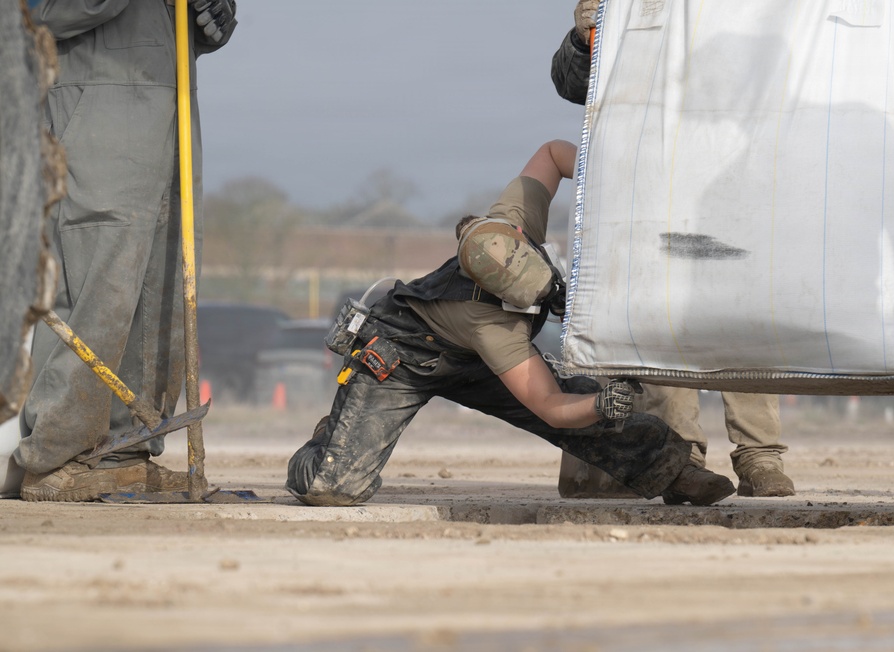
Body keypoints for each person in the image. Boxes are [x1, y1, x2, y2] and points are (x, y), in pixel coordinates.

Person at [286, 140, 736, 507]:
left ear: (517, 234)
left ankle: (678, 474)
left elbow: (554, 153)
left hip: (472, 355)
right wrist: (601, 406)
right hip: (404, 358)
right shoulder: (492, 325)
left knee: (593, 408)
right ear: (502, 296)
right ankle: (328, 440)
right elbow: (549, 406)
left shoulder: (509, 220)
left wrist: (607, 177)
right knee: (332, 489)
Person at [550, 0, 794, 499]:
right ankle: (682, 456)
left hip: (736, 188)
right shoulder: (632, 8)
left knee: (745, 321)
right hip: (653, 187)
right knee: (663, 323)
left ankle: (758, 454)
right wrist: (582, 39)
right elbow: (574, 85)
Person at [16, 0, 237, 502]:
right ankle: (58, 454)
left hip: (171, 96)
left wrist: (211, 17)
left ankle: (121, 452)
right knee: (97, 276)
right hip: (92, 105)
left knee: (159, 286)